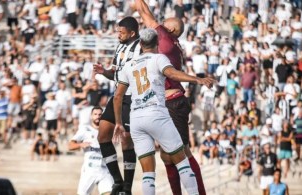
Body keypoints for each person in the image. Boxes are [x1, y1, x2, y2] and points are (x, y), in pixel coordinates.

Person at [113, 28, 213, 195]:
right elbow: (172, 74)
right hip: (156, 114)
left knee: (148, 174)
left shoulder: (129, 65)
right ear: (157, 43)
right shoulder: (159, 58)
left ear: (140, 44)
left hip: (137, 118)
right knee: (182, 162)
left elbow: (117, 96)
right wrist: (197, 79)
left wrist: (118, 122)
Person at [134, 0, 209, 194]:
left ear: (172, 29)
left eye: (164, 23)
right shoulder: (172, 45)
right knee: (167, 157)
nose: (159, 25)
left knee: (182, 153)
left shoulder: (165, 37)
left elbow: (144, 12)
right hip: (165, 104)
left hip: (173, 103)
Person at [93, 16, 141, 194]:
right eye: (117, 31)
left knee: (126, 141)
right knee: (103, 135)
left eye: (121, 32)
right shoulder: (120, 46)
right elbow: (114, 73)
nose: (118, 35)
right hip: (117, 97)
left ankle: (127, 187)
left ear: (132, 33)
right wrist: (103, 72)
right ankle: (118, 181)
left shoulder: (140, 48)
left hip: (132, 98)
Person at [69, 106, 113, 195]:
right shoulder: (85, 130)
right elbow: (70, 145)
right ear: (91, 116)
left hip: (104, 169)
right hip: (89, 170)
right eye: (95, 114)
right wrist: (80, 144)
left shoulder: (108, 130)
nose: (97, 116)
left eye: (100, 114)